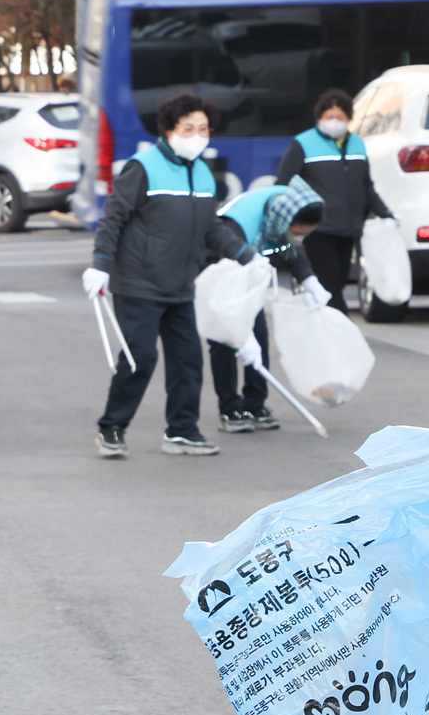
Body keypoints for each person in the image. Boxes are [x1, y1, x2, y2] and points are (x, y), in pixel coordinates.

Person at [85, 92, 247, 458]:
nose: (197, 135)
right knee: (139, 357)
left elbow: (212, 229)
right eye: (188, 127)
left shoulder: (203, 174)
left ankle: (182, 430)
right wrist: (100, 265)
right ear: (170, 129)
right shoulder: (142, 167)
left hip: (180, 284)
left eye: (203, 128)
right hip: (139, 281)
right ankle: (112, 427)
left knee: (188, 360)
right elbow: (114, 216)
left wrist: (246, 256)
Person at [206, 180, 323, 433]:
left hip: (250, 275)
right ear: (284, 221)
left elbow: (291, 246)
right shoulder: (238, 224)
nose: (299, 237)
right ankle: (230, 408)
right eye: (298, 231)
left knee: (258, 338)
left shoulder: (288, 210)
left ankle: (255, 403)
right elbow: (225, 274)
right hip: (218, 271)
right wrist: (238, 329)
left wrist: (309, 280)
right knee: (225, 341)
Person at [274, 88, 392, 311]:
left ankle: (322, 334)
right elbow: (283, 183)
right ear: (319, 118)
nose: (335, 122)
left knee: (337, 282)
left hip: (349, 229)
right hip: (319, 230)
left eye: (340, 117)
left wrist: (387, 215)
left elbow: (366, 186)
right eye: (329, 117)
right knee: (332, 290)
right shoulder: (303, 143)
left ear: (349, 118)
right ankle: (342, 334)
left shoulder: (357, 143)